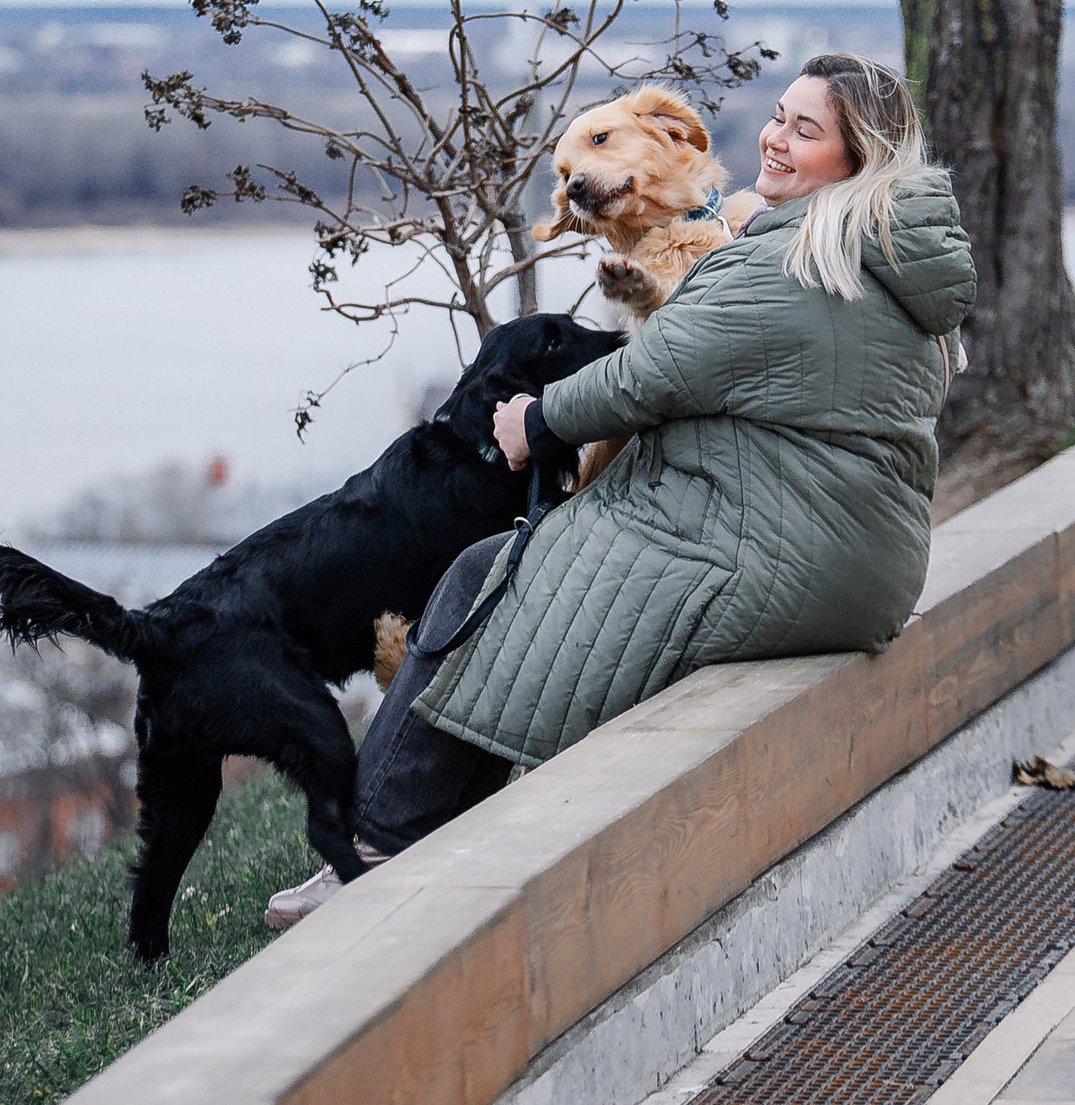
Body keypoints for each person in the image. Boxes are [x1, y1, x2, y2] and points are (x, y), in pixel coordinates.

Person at [268, 52, 976, 927]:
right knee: (511, 572)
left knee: (489, 581)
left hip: (772, 551)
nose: (776, 136)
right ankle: (429, 833)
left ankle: (367, 849)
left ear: (859, 153)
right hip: (854, 557)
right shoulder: (882, 253)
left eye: (807, 128)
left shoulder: (800, 258)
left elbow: (657, 371)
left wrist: (537, 418)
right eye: (780, 115)